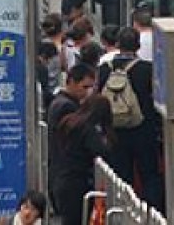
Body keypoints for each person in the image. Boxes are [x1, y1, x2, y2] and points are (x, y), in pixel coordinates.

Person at [98, 28, 162, 212]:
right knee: (149, 174)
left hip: (114, 131)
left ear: (117, 45)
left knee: (120, 177)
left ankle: (123, 213)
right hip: (143, 130)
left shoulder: (104, 70)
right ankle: (152, 213)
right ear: (138, 46)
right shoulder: (147, 70)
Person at [53, 94, 113, 225]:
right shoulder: (88, 129)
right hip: (77, 183)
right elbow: (102, 151)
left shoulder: (69, 122)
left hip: (62, 178)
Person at [46, 63, 95, 215]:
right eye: (84, 87)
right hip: (69, 176)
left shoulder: (60, 103)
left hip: (61, 175)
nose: (88, 92)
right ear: (72, 82)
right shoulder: (67, 108)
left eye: (91, 88)